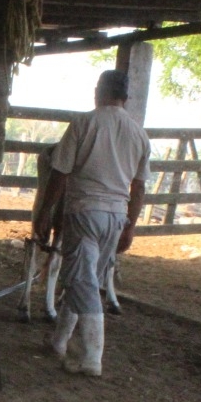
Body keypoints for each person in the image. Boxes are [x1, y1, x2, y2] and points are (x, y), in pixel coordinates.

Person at [33, 69, 150, 377]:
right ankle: (59, 342)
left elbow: (60, 173)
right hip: (115, 216)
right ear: (125, 97)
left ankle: (91, 357)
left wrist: (45, 212)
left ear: (98, 91)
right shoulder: (139, 133)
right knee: (88, 279)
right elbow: (139, 187)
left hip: (84, 210)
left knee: (80, 280)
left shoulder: (84, 123)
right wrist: (131, 225)